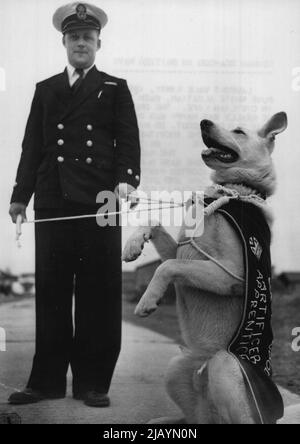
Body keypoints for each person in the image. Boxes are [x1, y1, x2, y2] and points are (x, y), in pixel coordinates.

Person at [8, 2, 141, 407]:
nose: (80, 43)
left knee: (98, 295)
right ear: (64, 42)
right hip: (52, 201)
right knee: (50, 292)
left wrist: (126, 182)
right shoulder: (45, 90)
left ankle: (92, 383)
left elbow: (128, 141)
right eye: (74, 37)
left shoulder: (115, 88)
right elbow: (32, 147)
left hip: (100, 204)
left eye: (87, 37)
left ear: (98, 43)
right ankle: (46, 382)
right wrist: (19, 195)